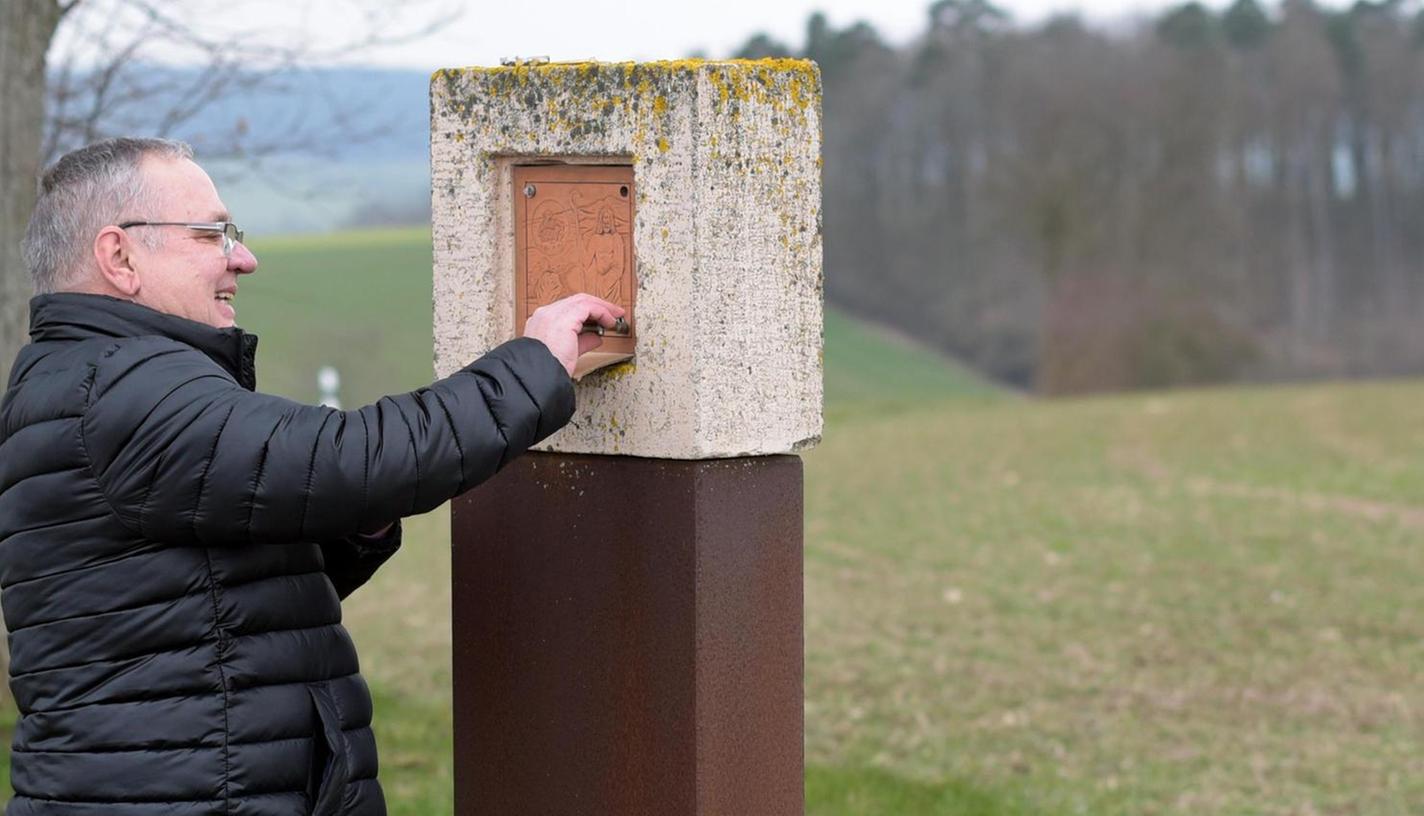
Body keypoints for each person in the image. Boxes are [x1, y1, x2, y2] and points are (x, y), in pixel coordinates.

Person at [0, 137, 622, 816]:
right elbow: (347, 457)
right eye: (213, 234)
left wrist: (357, 517)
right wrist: (534, 364)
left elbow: (216, 595)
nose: (244, 257)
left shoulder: (82, 380)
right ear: (119, 256)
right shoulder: (124, 388)